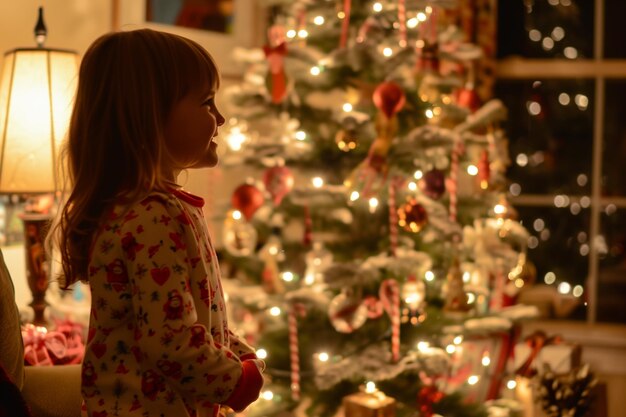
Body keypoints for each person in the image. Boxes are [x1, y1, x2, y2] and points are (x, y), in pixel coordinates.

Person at [49, 29, 264, 417]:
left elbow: (190, 314)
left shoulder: (159, 210)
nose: (221, 118)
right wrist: (238, 380)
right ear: (149, 116)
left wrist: (237, 351)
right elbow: (170, 341)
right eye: (206, 103)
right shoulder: (151, 217)